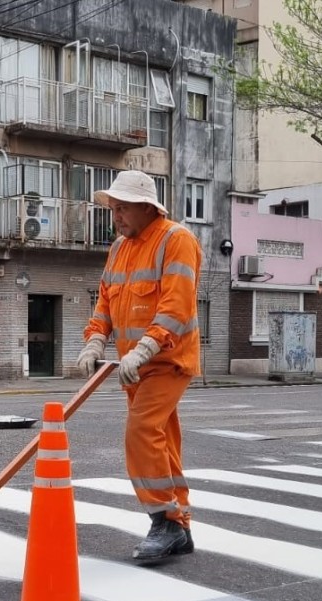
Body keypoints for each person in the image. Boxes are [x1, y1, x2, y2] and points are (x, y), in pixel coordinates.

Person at [77, 170, 202, 563]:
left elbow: (177, 306)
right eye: (113, 209)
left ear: (148, 207)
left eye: (122, 208)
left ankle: (163, 519)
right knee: (160, 437)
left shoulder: (175, 239)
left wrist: (144, 349)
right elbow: (105, 300)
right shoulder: (119, 248)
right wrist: (95, 338)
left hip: (166, 360)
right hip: (134, 364)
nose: (115, 216)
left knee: (142, 432)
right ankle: (179, 525)